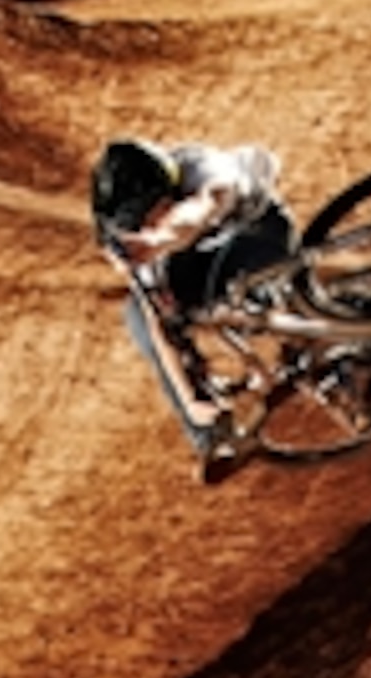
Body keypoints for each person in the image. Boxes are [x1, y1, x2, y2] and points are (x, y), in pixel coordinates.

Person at [91, 137, 297, 476]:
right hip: (201, 258)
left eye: (154, 214)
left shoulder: (198, 165)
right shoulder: (131, 241)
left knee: (250, 295)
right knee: (139, 315)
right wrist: (190, 398)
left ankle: (349, 314)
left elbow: (204, 206)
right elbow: (156, 322)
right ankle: (212, 433)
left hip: (256, 231)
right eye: (140, 224)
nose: (150, 226)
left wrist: (159, 241)